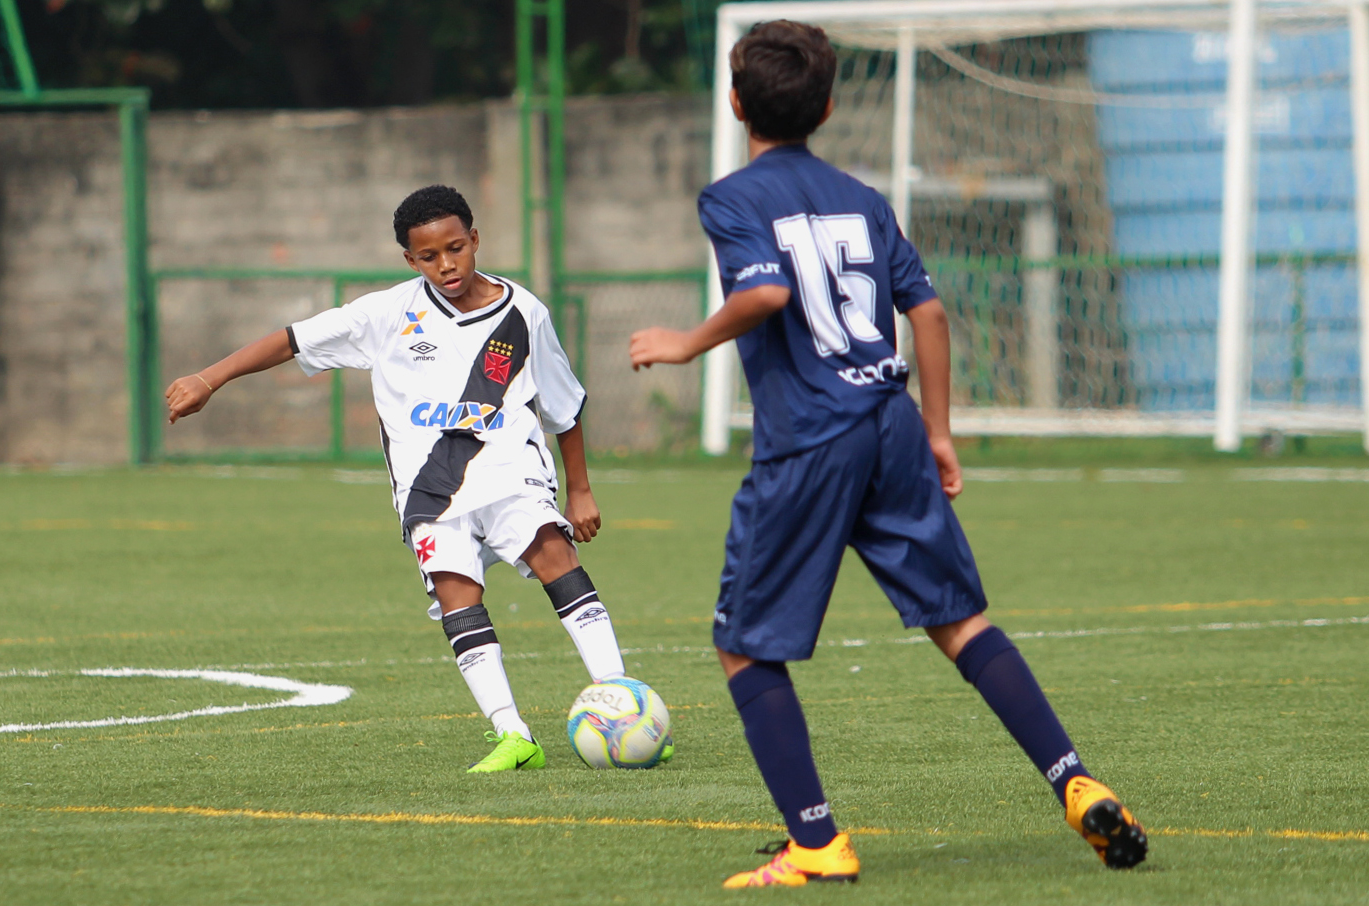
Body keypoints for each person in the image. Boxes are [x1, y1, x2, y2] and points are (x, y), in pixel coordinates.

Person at [629, 20, 1145, 887]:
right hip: (891, 422)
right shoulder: (861, 197)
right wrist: (936, 431)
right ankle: (1075, 781)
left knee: (744, 645)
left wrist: (685, 343)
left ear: (735, 104)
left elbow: (766, 291)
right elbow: (928, 313)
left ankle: (817, 842)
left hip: (810, 439)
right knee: (959, 620)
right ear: (829, 107)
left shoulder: (731, 197)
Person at [167, 184, 655, 773]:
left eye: (455, 248)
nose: (446, 264)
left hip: (509, 471)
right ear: (410, 260)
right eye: (429, 256)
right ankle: (513, 734)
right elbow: (291, 340)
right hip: (429, 491)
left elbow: (565, 406)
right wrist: (210, 379)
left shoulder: (524, 312)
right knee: (456, 594)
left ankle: (624, 704)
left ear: (475, 239)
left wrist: (580, 490)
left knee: (555, 555)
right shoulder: (386, 313)